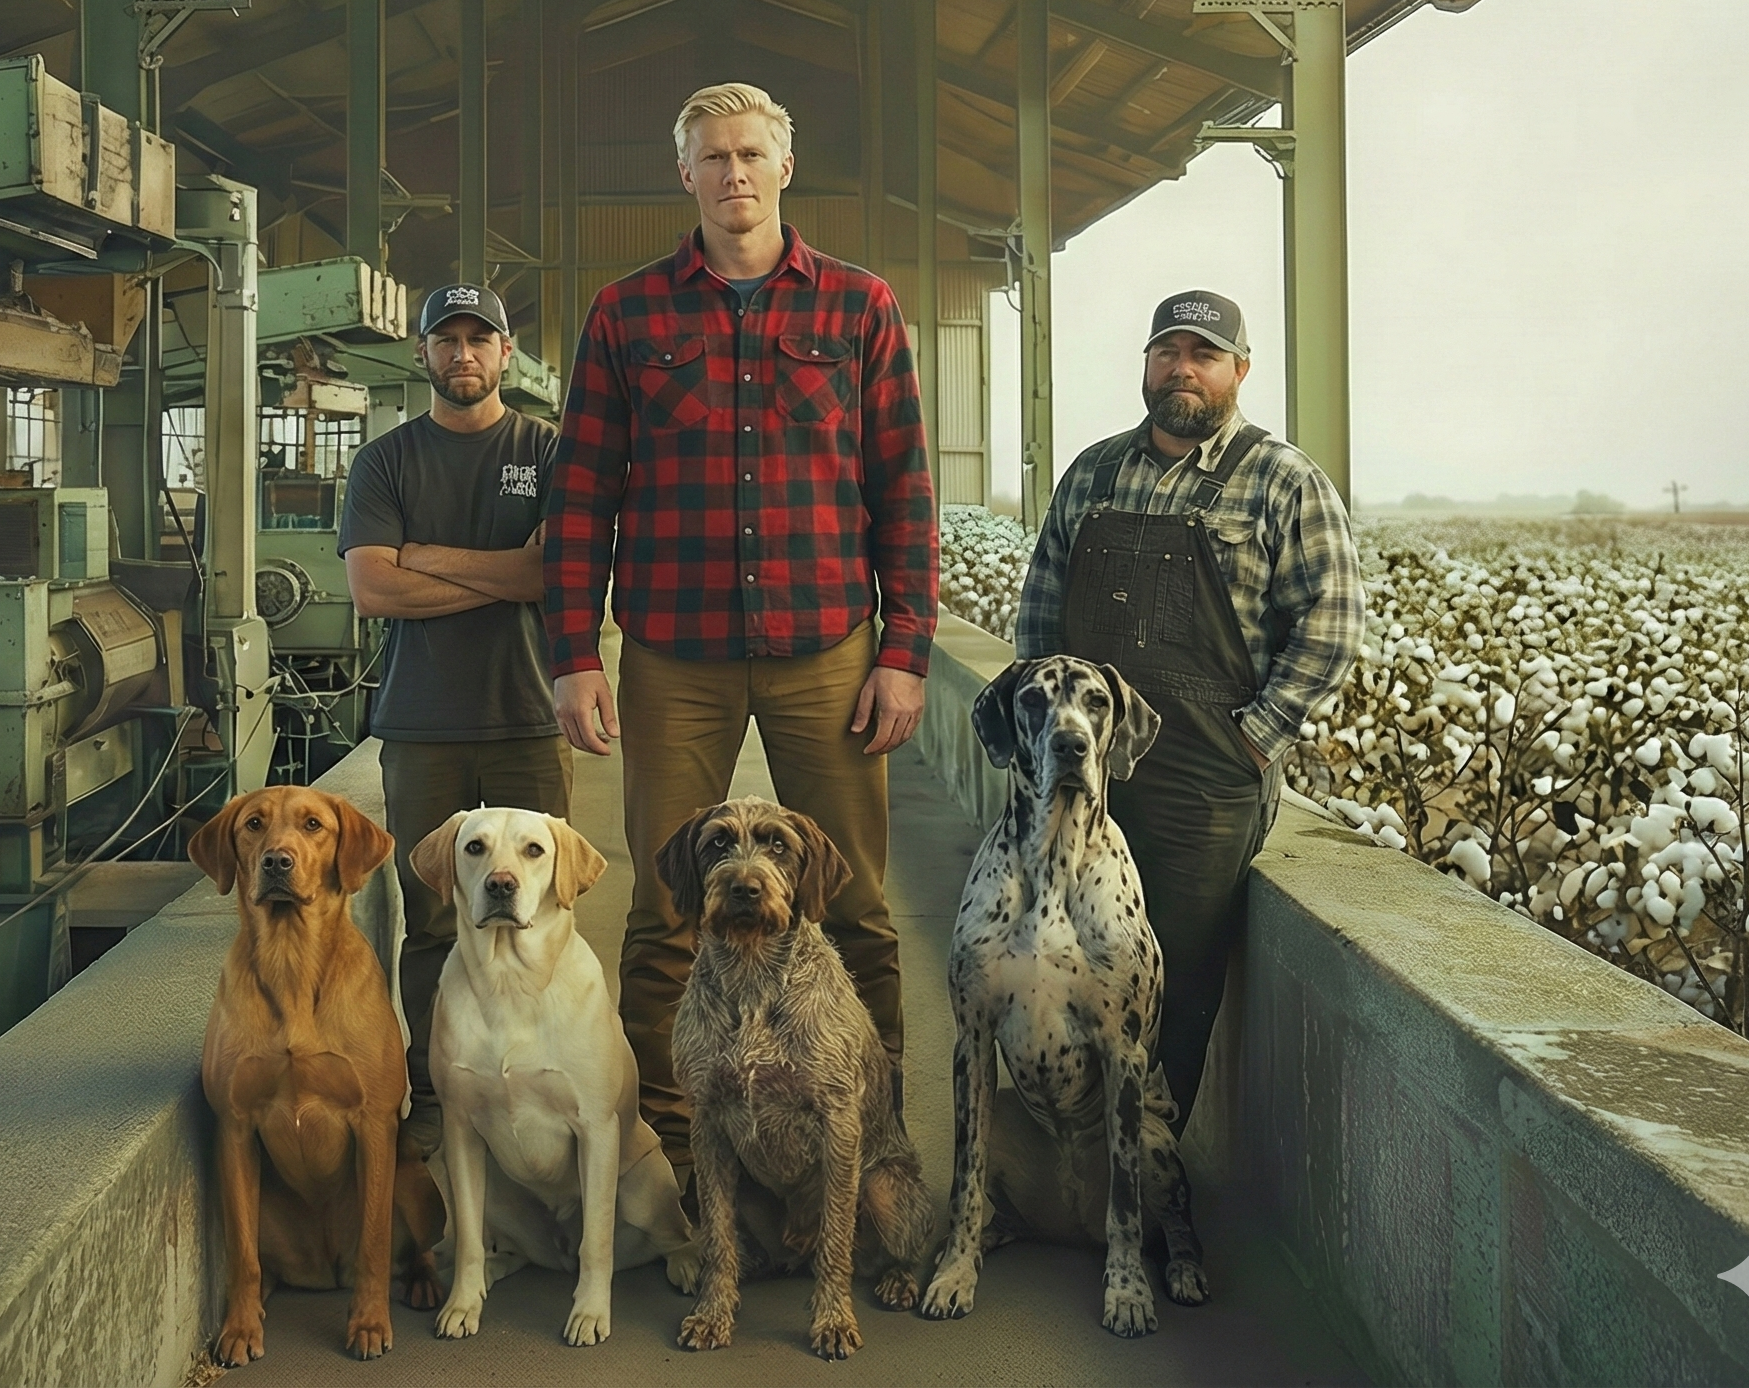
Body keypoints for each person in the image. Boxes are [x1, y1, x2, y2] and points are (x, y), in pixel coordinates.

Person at [543, 81, 939, 1170]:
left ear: (784, 165)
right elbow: (582, 493)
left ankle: (879, 1144)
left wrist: (904, 652)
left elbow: (904, 489)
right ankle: (661, 1151)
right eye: (712, 156)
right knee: (669, 907)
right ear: (685, 174)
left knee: (850, 901)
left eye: (751, 153)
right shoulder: (628, 313)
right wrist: (576, 653)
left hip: (828, 647)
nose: (733, 174)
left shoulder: (860, 307)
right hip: (676, 650)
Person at [1014, 290, 1364, 1128]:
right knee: (1050, 953)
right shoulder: (1093, 472)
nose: (1184, 369)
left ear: (1239, 370)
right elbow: (1040, 612)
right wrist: (1039, 741)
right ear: (1146, 365)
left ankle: (1147, 1179)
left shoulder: (1282, 479)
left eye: (1204, 354)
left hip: (1205, 779)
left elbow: (1335, 622)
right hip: (1082, 764)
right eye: (1167, 351)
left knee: (1172, 974)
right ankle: (1064, 1149)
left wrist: (1257, 738)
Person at [339, 283, 568, 1148]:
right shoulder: (387, 462)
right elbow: (371, 587)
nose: (463, 354)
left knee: (537, 914)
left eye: (481, 339)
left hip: (527, 718)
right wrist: (495, 566)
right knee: (433, 918)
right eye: (447, 339)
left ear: (507, 353)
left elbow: (548, 578)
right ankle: (440, 1100)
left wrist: (426, 559)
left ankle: (542, 1086)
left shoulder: (548, 451)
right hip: (422, 724)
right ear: (422, 353)